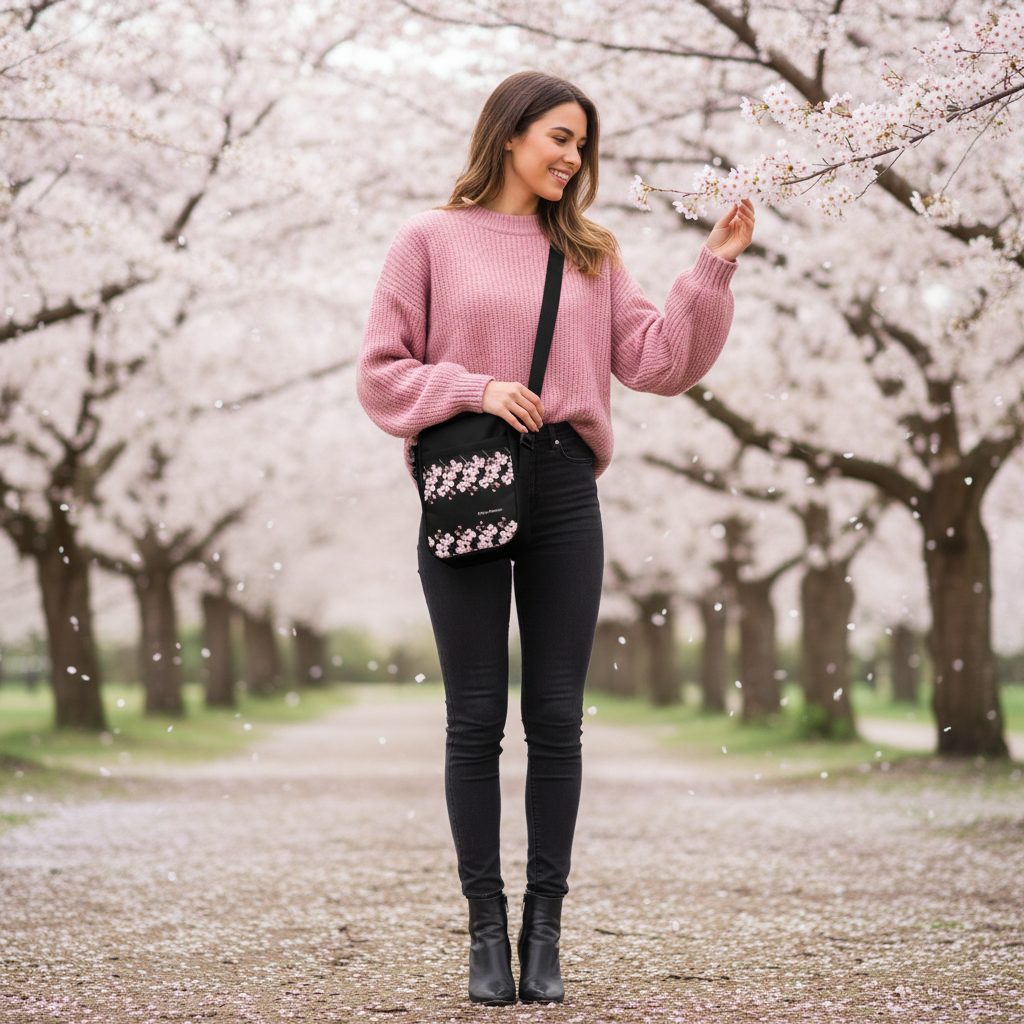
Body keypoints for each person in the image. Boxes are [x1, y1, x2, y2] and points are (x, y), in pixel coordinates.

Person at [357, 70, 754, 1006]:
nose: (573, 158)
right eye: (560, 138)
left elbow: (659, 363)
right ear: (508, 135)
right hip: (464, 483)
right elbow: (381, 375)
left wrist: (714, 266)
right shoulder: (427, 239)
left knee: (558, 720)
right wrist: (470, 387)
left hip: (566, 487)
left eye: (583, 144)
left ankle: (545, 934)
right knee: (473, 718)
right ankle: (485, 933)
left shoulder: (590, 253)